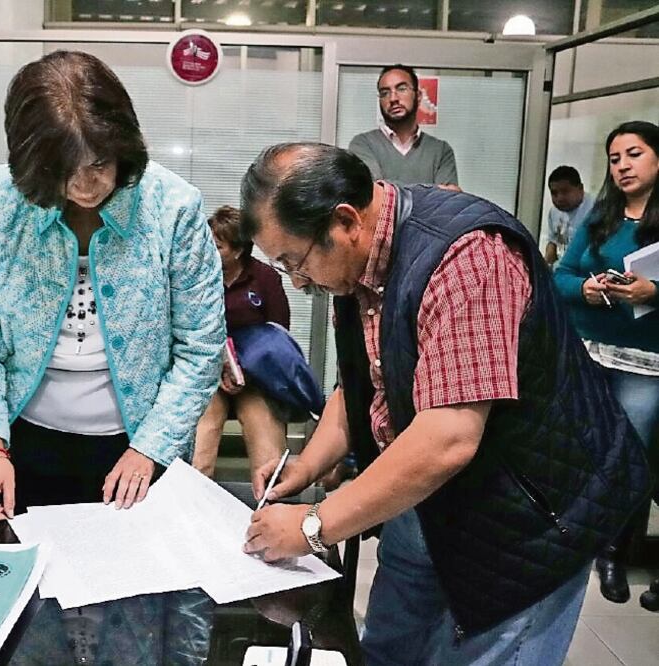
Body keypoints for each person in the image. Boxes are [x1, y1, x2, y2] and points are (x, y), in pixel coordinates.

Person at [239, 142, 651, 665]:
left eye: (295, 262)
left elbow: (448, 438)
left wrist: (312, 525)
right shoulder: (359, 260)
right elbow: (366, 380)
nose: (299, 282)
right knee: (388, 650)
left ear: (344, 221)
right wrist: (307, 466)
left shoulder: (466, 258)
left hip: (528, 515)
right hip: (428, 502)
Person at [0, 50, 224, 522]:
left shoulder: (174, 207)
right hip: (23, 439)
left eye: (100, 162)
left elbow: (201, 349)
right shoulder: (6, 197)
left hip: (137, 442)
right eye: (64, 168)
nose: (85, 184)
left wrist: (151, 448)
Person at [554, 120, 659, 604]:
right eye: (615, 159)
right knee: (582, 449)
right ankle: (574, 538)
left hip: (646, 363)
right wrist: (589, 290)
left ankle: (616, 551)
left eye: (633, 155)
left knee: (629, 457)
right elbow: (561, 277)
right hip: (590, 352)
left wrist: (654, 291)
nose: (623, 166)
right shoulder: (600, 217)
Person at [192, 205, 291, 482]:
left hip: (255, 378)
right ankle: (191, 511)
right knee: (201, 443)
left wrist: (246, 371)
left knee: (268, 451)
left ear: (237, 250)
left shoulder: (265, 278)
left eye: (218, 246)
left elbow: (278, 334)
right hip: (210, 377)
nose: (209, 252)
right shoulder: (196, 278)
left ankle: (271, 509)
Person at [348, 64, 459, 189]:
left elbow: (447, 203)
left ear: (418, 96)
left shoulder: (441, 151)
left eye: (401, 89)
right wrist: (431, 191)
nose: (393, 98)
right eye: (385, 93)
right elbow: (375, 194)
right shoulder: (363, 144)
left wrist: (389, 189)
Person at [544, 165, 595, 266]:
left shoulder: (596, 210)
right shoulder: (554, 212)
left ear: (580, 189)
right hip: (562, 270)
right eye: (554, 193)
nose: (559, 198)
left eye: (565, 192)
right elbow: (553, 243)